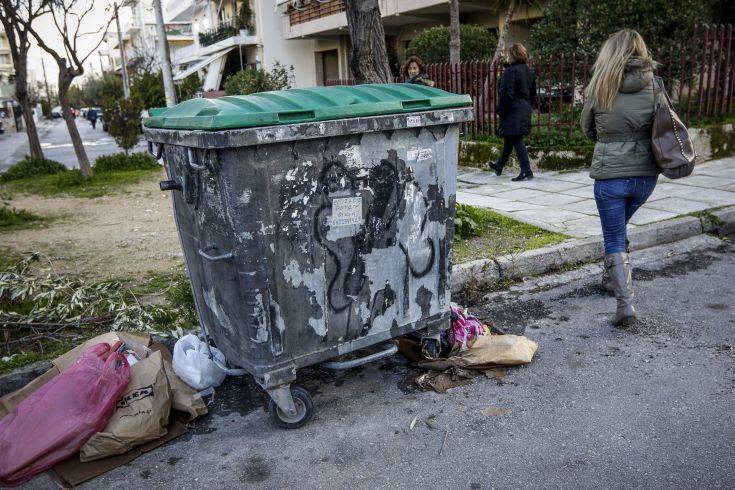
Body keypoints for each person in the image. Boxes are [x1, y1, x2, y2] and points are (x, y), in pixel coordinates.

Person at [580, 29, 660, 327]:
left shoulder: (599, 86)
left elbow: (587, 130)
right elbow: (665, 125)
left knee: (614, 236)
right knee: (619, 227)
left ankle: (626, 305)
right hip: (645, 177)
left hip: (610, 177)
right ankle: (609, 278)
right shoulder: (656, 85)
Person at [488, 43, 537, 181]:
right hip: (524, 107)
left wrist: (501, 111)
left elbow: (505, 93)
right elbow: (533, 94)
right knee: (511, 137)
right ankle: (499, 165)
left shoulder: (510, 72)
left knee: (516, 138)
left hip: (512, 109)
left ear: (513, 55)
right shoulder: (529, 71)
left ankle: (526, 170)